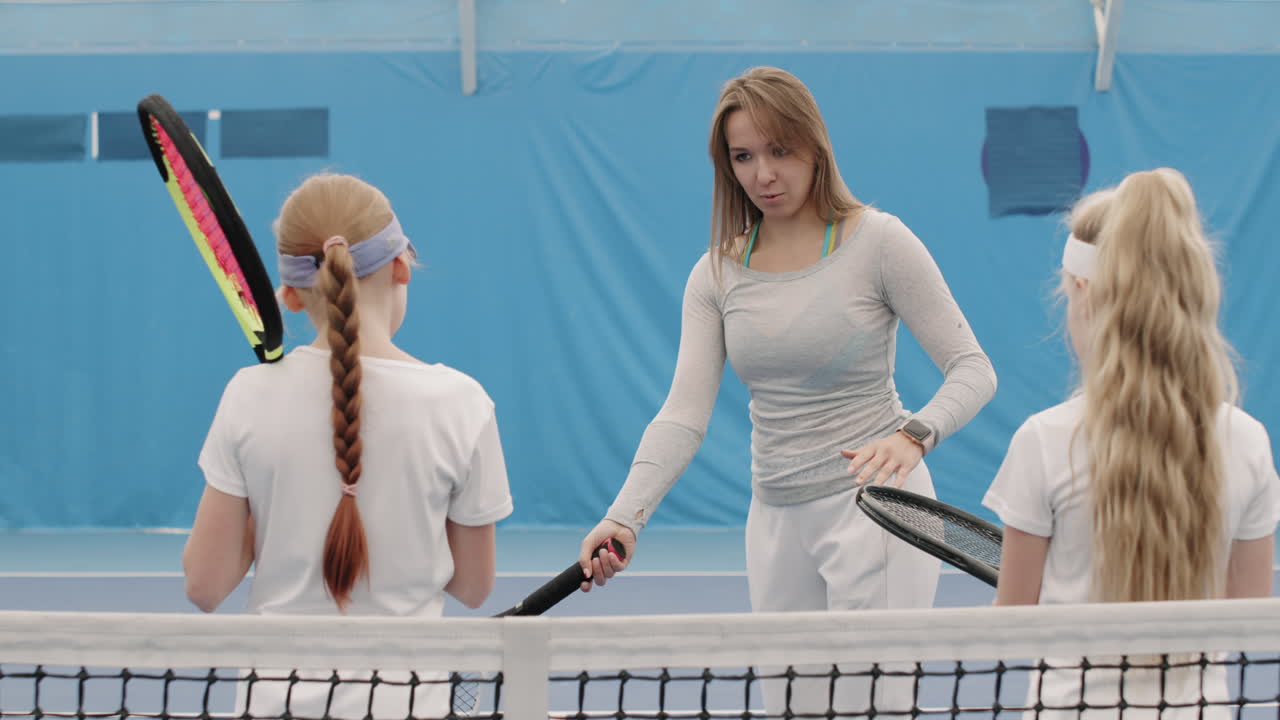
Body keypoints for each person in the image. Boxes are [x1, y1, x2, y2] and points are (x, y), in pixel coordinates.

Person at [578, 66, 997, 715]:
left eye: (779, 150)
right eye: (743, 156)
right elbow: (683, 414)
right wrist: (624, 516)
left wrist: (914, 436)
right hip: (773, 523)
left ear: (814, 146)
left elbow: (973, 368)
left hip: (877, 512)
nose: (762, 174)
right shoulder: (715, 274)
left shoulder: (880, 242)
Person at [182, 173, 513, 718]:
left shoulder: (248, 395)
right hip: (408, 708)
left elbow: (204, 585)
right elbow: (474, 587)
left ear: (288, 296)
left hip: (273, 705)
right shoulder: (462, 403)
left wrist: (268, 508)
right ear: (402, 265)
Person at [983, 168, 1279, 720]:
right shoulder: (1249, 442)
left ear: (1084, 294)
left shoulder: (1043, 442)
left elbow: (1011, 629)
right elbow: (1250, 619)